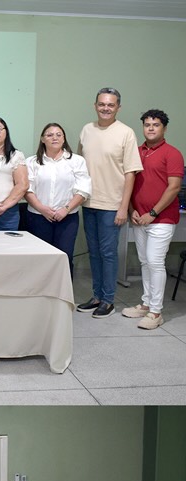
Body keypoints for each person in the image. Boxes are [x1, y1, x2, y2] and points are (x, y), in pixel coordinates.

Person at [77, 88, 143, 319]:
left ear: (118, 108)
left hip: (112, 205)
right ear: (95, 105)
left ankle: (108, 299)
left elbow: (130, 174)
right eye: (102, 104)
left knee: (108, 253)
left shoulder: (126, 133)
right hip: (88, 202)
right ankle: (96, 297)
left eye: (111, 105)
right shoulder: (86, 130)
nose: (106, 108)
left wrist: (124, 207)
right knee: (93, 252)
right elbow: (78, 167)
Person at [123, 109, 184, 329]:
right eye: (147, 124)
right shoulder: (136, 152)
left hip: (161, 219)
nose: (150, 128)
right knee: (145, 262)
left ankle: (156, 312)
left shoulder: (172, 153)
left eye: (155, 125)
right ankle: (146, 304)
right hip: (139, 219)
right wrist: (132, 210)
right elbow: (129, 184)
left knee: (155, 262)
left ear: (164, 128)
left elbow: (174, 187)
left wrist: (153, 213)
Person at [25, 123, 91, 276]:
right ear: (42, 139)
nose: (54, 137)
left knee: (64, 257)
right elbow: (27, 189)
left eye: (58, 134)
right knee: (40, 259)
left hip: (67, 218)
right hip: (38, 216)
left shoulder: (77, 161)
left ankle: (63, 298)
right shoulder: (32, 162)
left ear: (64, 138)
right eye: (49, 135)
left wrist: (66, 209)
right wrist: (42, 208)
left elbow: (83, 189)